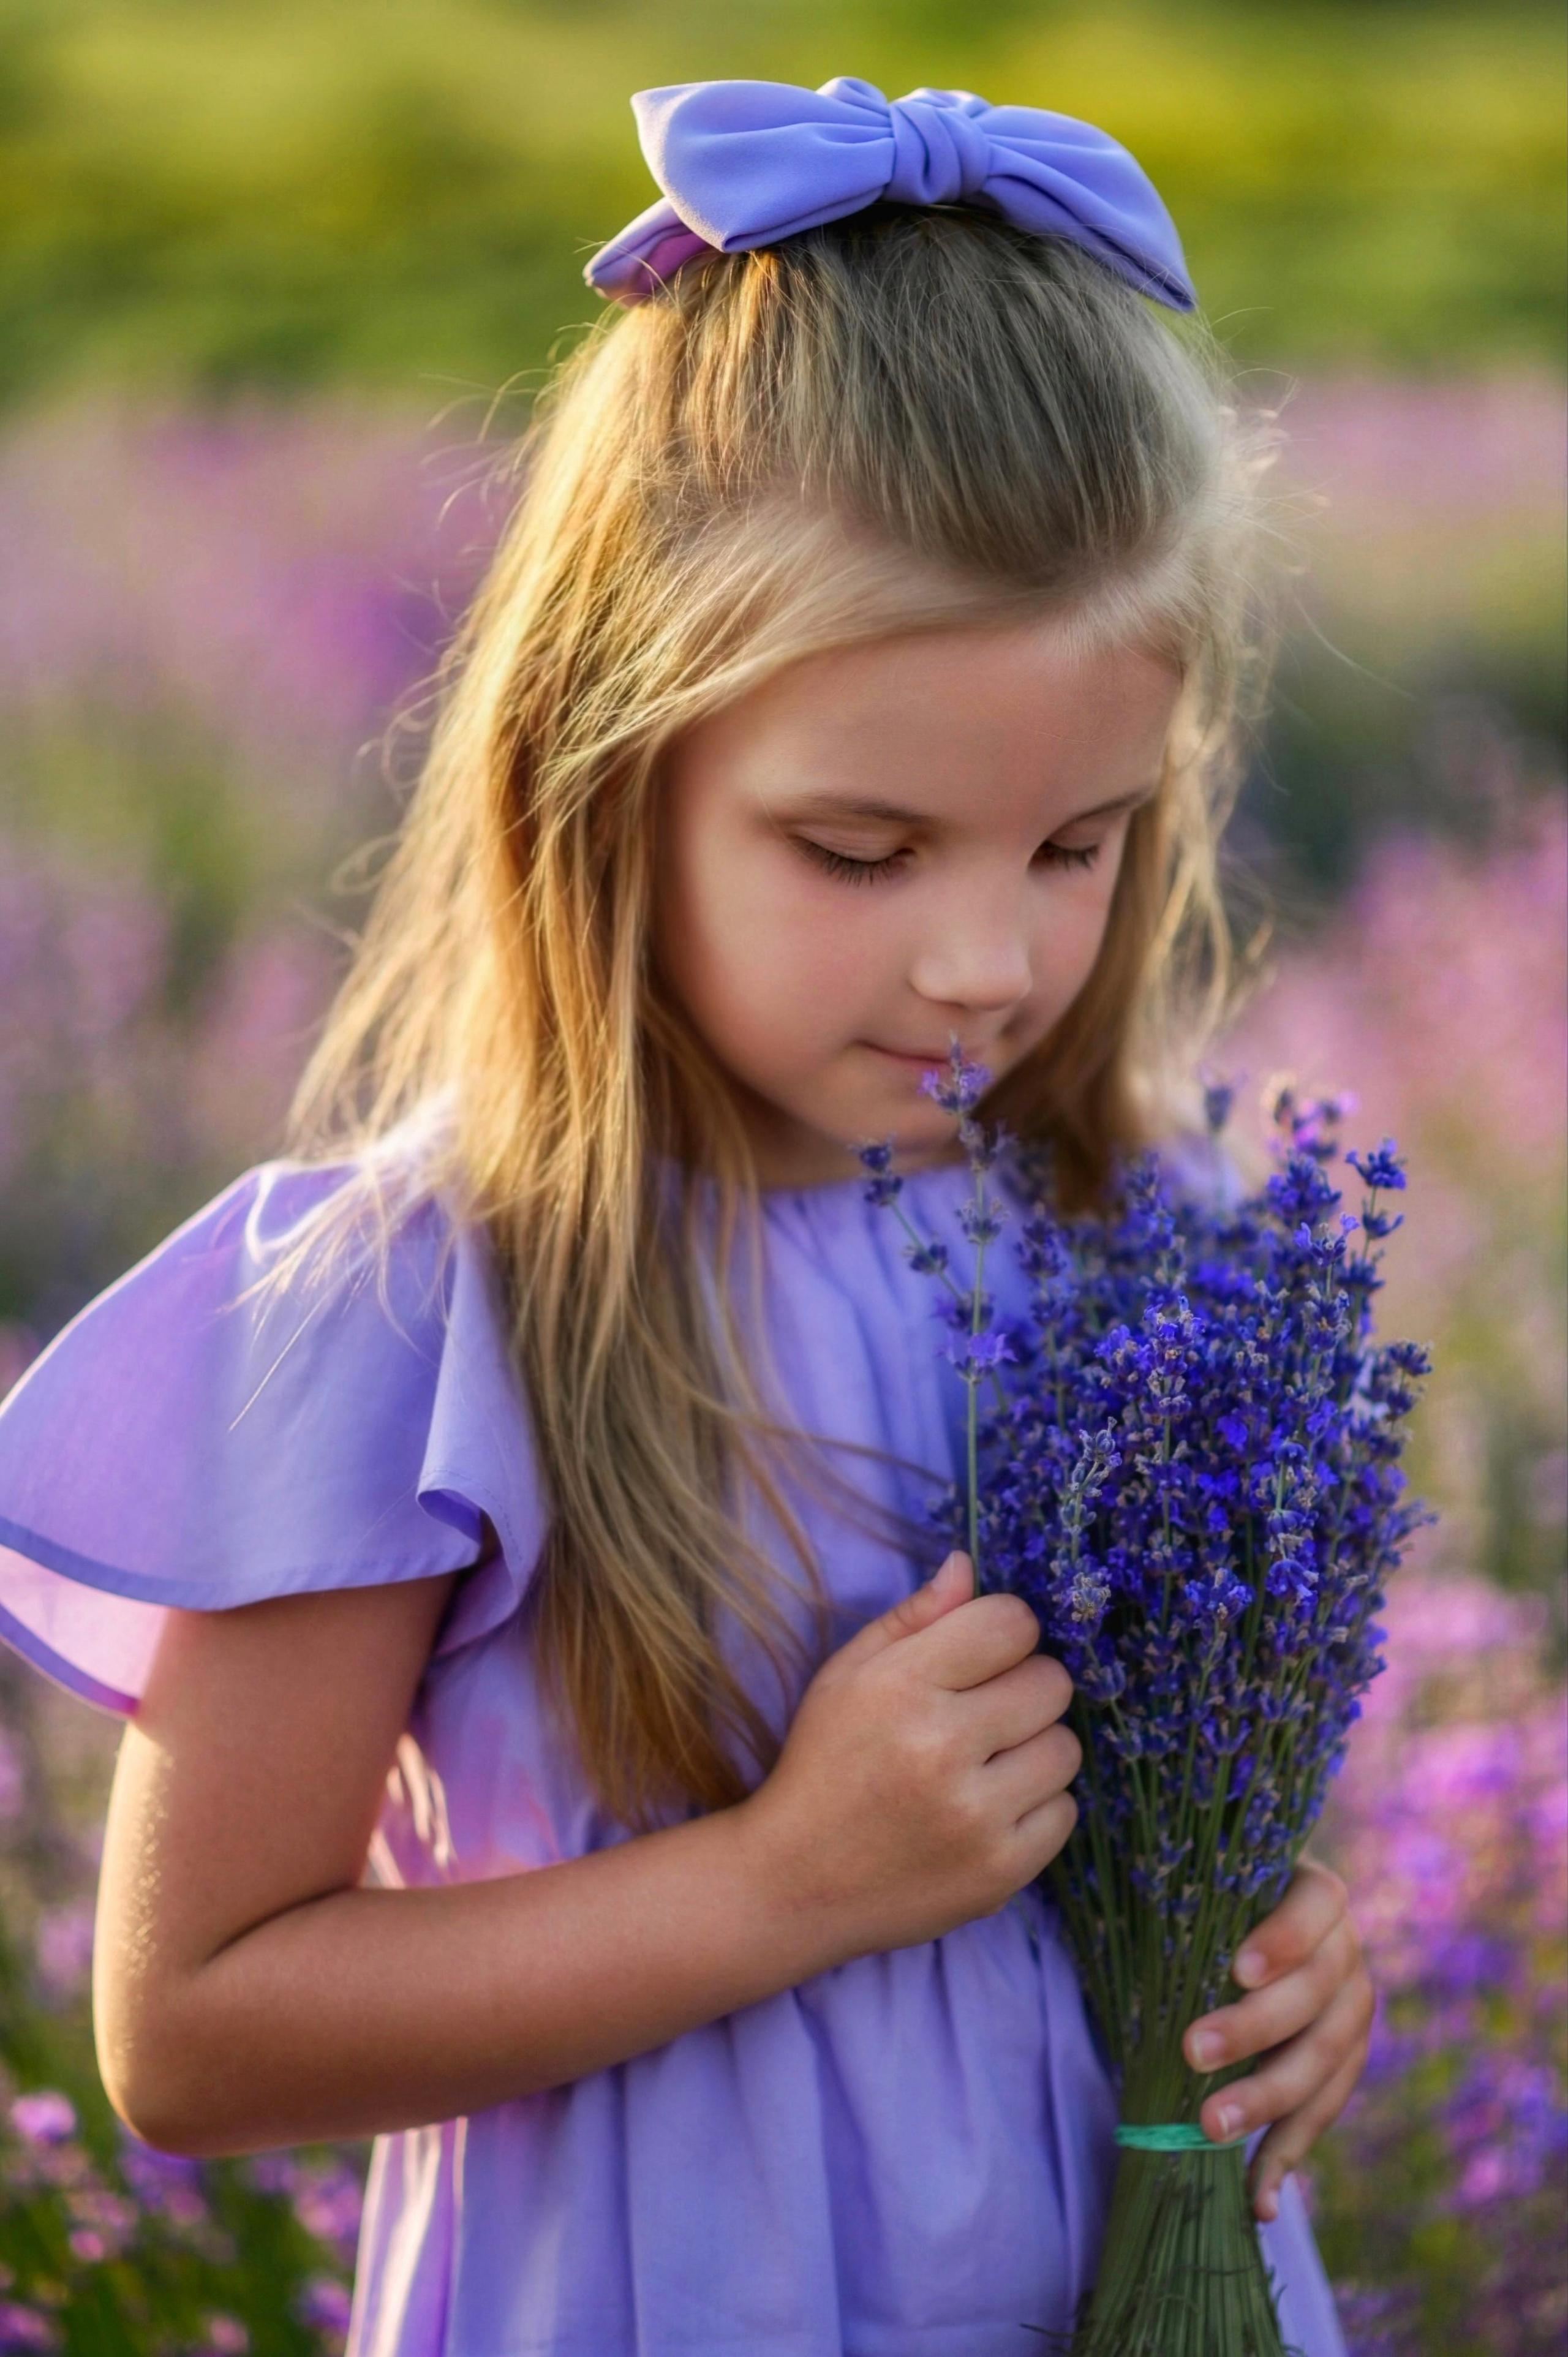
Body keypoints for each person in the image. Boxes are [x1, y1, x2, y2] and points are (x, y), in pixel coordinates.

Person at [0, 77, 1371, 2357]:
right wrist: (782, 1886)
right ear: (601, 782)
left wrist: (1275, 1949)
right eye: (861, 851)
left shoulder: (1164, 1235)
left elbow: (1154, 1821)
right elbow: (196, 2031)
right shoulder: (419, 1304)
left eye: (1078, 843)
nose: (983, 964)